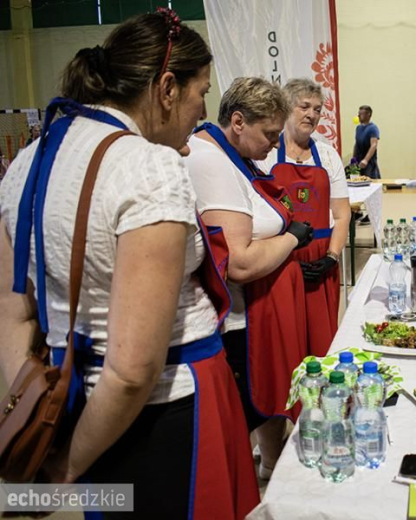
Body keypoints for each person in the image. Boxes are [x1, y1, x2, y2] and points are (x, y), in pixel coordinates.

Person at [0, 10, 258, 519]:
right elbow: (133, 370)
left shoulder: (28, 160)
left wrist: (34, 411)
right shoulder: (147, 165)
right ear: (166, 87)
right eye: (201, 91)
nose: (202, 110)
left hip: (73, 405)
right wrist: (68, 469)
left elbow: (13, 312)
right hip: (166, 413)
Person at [186, 77, 314, 481]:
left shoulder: (232, 158)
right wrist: (291, 238)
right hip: (240, 322)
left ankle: (271, 468)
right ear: (238, 122)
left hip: (258, 311)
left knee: (266, 402)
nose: (274, 146)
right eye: (270, 134)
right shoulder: (210, 161)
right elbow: (238, 263)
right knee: (249, 408)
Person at [259, 77, 349, 365]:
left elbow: (342, 213)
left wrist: (332, 258)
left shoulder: (327, 155)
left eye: (318, 109)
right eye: (304, 106)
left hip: (321, 259)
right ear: (287, 108)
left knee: (322, 340)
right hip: (280, 259)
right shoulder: (266, 155)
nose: (312, 114)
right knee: (285, 339)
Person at [353, 104, 380, 179]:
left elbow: (374, 145)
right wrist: (354, 158)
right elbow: (356, 144)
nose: (358, 115)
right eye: (358, 113)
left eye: (361, 114)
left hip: (369, 163)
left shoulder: (373, 128)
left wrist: (365, 160)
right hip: (358, 161)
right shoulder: (358, 128)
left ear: (368, 115)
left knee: (370, 182)